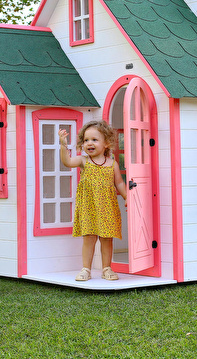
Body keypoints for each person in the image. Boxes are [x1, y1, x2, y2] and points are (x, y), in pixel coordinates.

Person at [58, 120, 127, 281]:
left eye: (94, 140)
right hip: (88, 207)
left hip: (107, 207)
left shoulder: (112, 164)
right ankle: (86, 269)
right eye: (86, 140)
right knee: (89, 238)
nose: (89, 143)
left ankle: (106, 268)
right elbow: (67, 162)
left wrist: (127, 197)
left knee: (106, 238)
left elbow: (119, 183)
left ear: (107, 143)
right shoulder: (84, 161)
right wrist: (63, 146)